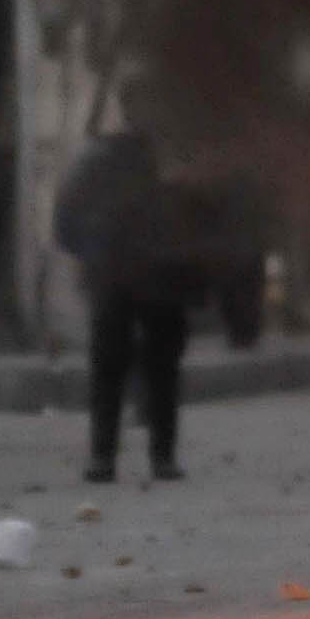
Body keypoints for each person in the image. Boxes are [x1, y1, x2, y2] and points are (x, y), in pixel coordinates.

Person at [52, 102, 207, 487]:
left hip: (131, 279)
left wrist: (90, 257)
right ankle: (156, 458)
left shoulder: (104, 158)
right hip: (143, 279)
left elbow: (65, 219)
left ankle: (108, 458)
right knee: (152, 371)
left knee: (117, 371)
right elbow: (68, 218)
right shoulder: (163, 159)